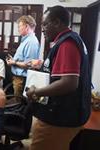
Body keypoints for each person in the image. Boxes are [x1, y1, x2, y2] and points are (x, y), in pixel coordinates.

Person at [26, 6, 91, 150]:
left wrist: (37, 92)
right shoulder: (73, 39)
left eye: (45, 24)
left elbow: (69, 83)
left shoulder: (67, 44)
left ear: (56, 22)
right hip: (73, 113)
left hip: (60, 117)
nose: (42, 29)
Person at [6, 15, 40, 97]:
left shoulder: (31, 42)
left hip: (22, 79)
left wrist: (14, 62)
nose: (18, 29)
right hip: (18, 78)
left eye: (19, 26)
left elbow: (29, 65)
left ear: (27, 26)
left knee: (19, 105)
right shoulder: (26, 40)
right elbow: (23, 59)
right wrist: (13, 60)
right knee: (17, 103)